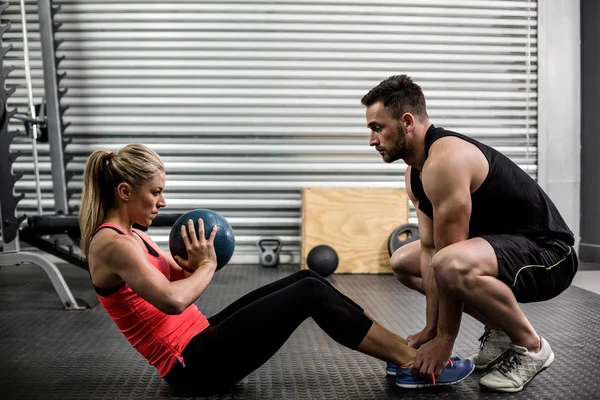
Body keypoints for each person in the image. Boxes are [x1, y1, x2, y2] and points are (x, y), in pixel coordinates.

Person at [78, 144, 474, 396]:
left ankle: (400, 354)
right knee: (309, 295)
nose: (163, 202)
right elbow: (173, 301)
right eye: (156, 192)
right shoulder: (112, 243)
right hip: (191, 367)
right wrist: (208, 264)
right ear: (125, 192)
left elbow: (174, 280)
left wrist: (190, 263)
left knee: (307, 280)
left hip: (199, 339)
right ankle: (411, 364)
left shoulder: (135, 236)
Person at [361, 75, 578, 393]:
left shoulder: (445, 161)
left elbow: (449, 259)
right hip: (502, 253)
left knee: (452, 263)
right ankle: (500, 329)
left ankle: (531, 347)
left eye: (377, 127)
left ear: (407, 121)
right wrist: (432, 330)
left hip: (550, 255)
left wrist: (445, 342)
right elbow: (430, 251)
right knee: (404, 261)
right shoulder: (417, 172)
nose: (372, 140)